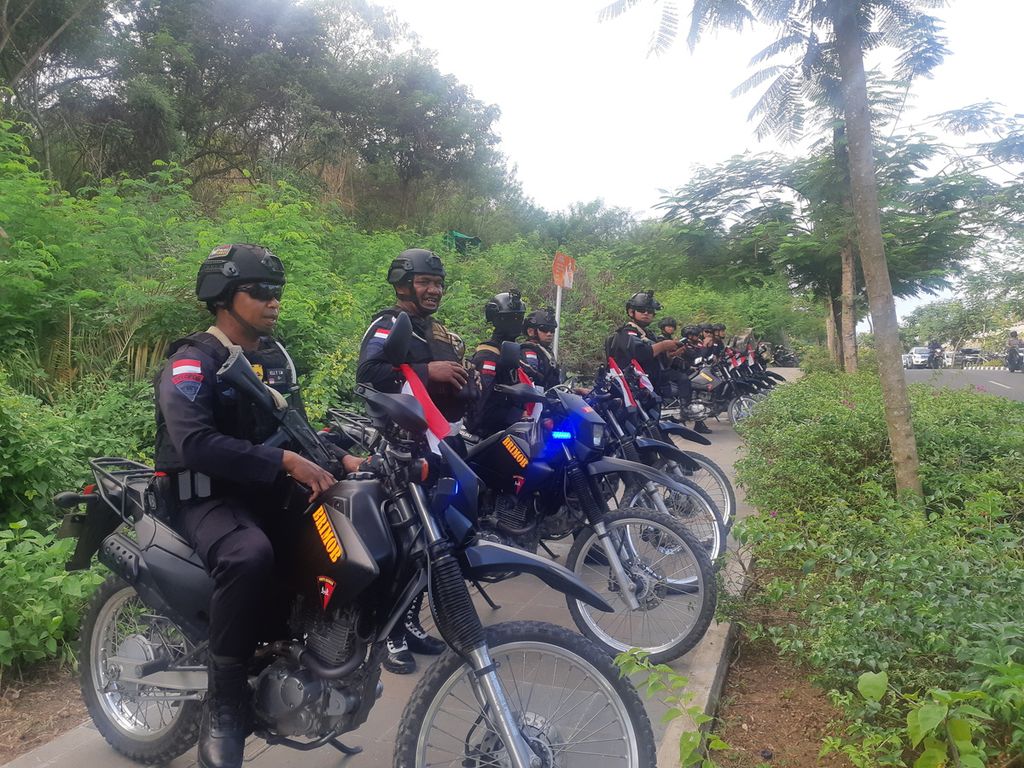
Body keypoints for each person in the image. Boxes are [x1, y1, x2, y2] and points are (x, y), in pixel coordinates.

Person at [155, 244, 361, 768]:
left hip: (264, 492)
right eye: (260, 291)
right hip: (204, 496)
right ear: (224, 297)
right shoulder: (191, 361)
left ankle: (323, 661)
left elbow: (295, 429)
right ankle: (225, 709)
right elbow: (194, 444)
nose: (273, 301)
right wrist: (287, 463)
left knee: (347, 533)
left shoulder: (274, 358)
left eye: (277, 292)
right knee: (249, 556)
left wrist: (343, 458)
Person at [356, 248, 470, 673]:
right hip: (398, 449)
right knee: (401, 544)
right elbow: (367, 375)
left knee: (428, 543)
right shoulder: (388, 324)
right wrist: (427, 373)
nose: (433, 289)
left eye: (437, 283)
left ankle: (408, 622)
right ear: (403, 284)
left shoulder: (433, 330)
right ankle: (386, 637)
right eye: (424, 282)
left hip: (434, 448)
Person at [467, 291, 528, 437]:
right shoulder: (488, 356)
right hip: (489, 434)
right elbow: (482, 405)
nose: (516, 321)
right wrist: (515, 416)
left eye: (519, 317)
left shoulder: (510, 350)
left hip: (509, 429)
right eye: (511, 318)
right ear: (498, 319)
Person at [520, 306, 563, 390]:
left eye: (552, 330)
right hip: (537, 400)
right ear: (531, 332)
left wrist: (575, 391)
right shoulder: (529, 351)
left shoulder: (546, 352)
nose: (549, 333)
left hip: (550, 398)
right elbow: (534, 378)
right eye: (544, 329)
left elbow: (554, 383)